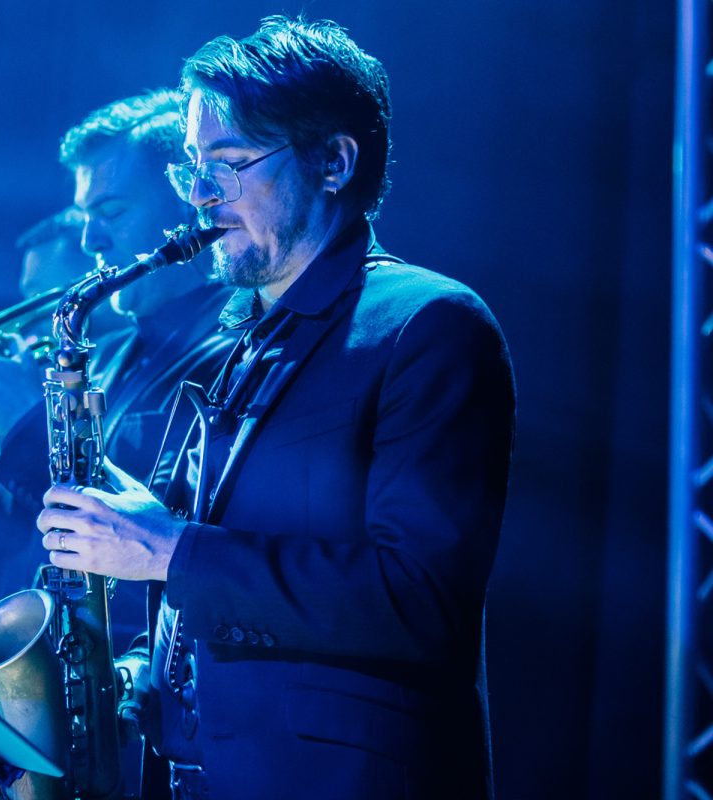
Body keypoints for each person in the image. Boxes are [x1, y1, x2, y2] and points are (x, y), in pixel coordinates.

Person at [36, 16, 516, 800]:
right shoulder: (245, 340)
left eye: (227, 164)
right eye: (193, 167)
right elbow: (221, 583)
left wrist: (168, 549)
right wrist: (134, 674)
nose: (197, 196)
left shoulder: (430, 325)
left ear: (333, 160)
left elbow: (419, 601)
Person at [0, 90, 235, 630]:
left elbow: (149, 527)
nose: (91, 240)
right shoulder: (107, 357)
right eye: (86, 216)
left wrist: (22, 425)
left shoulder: (235, 346)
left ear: (185, 204)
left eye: (110, 211)